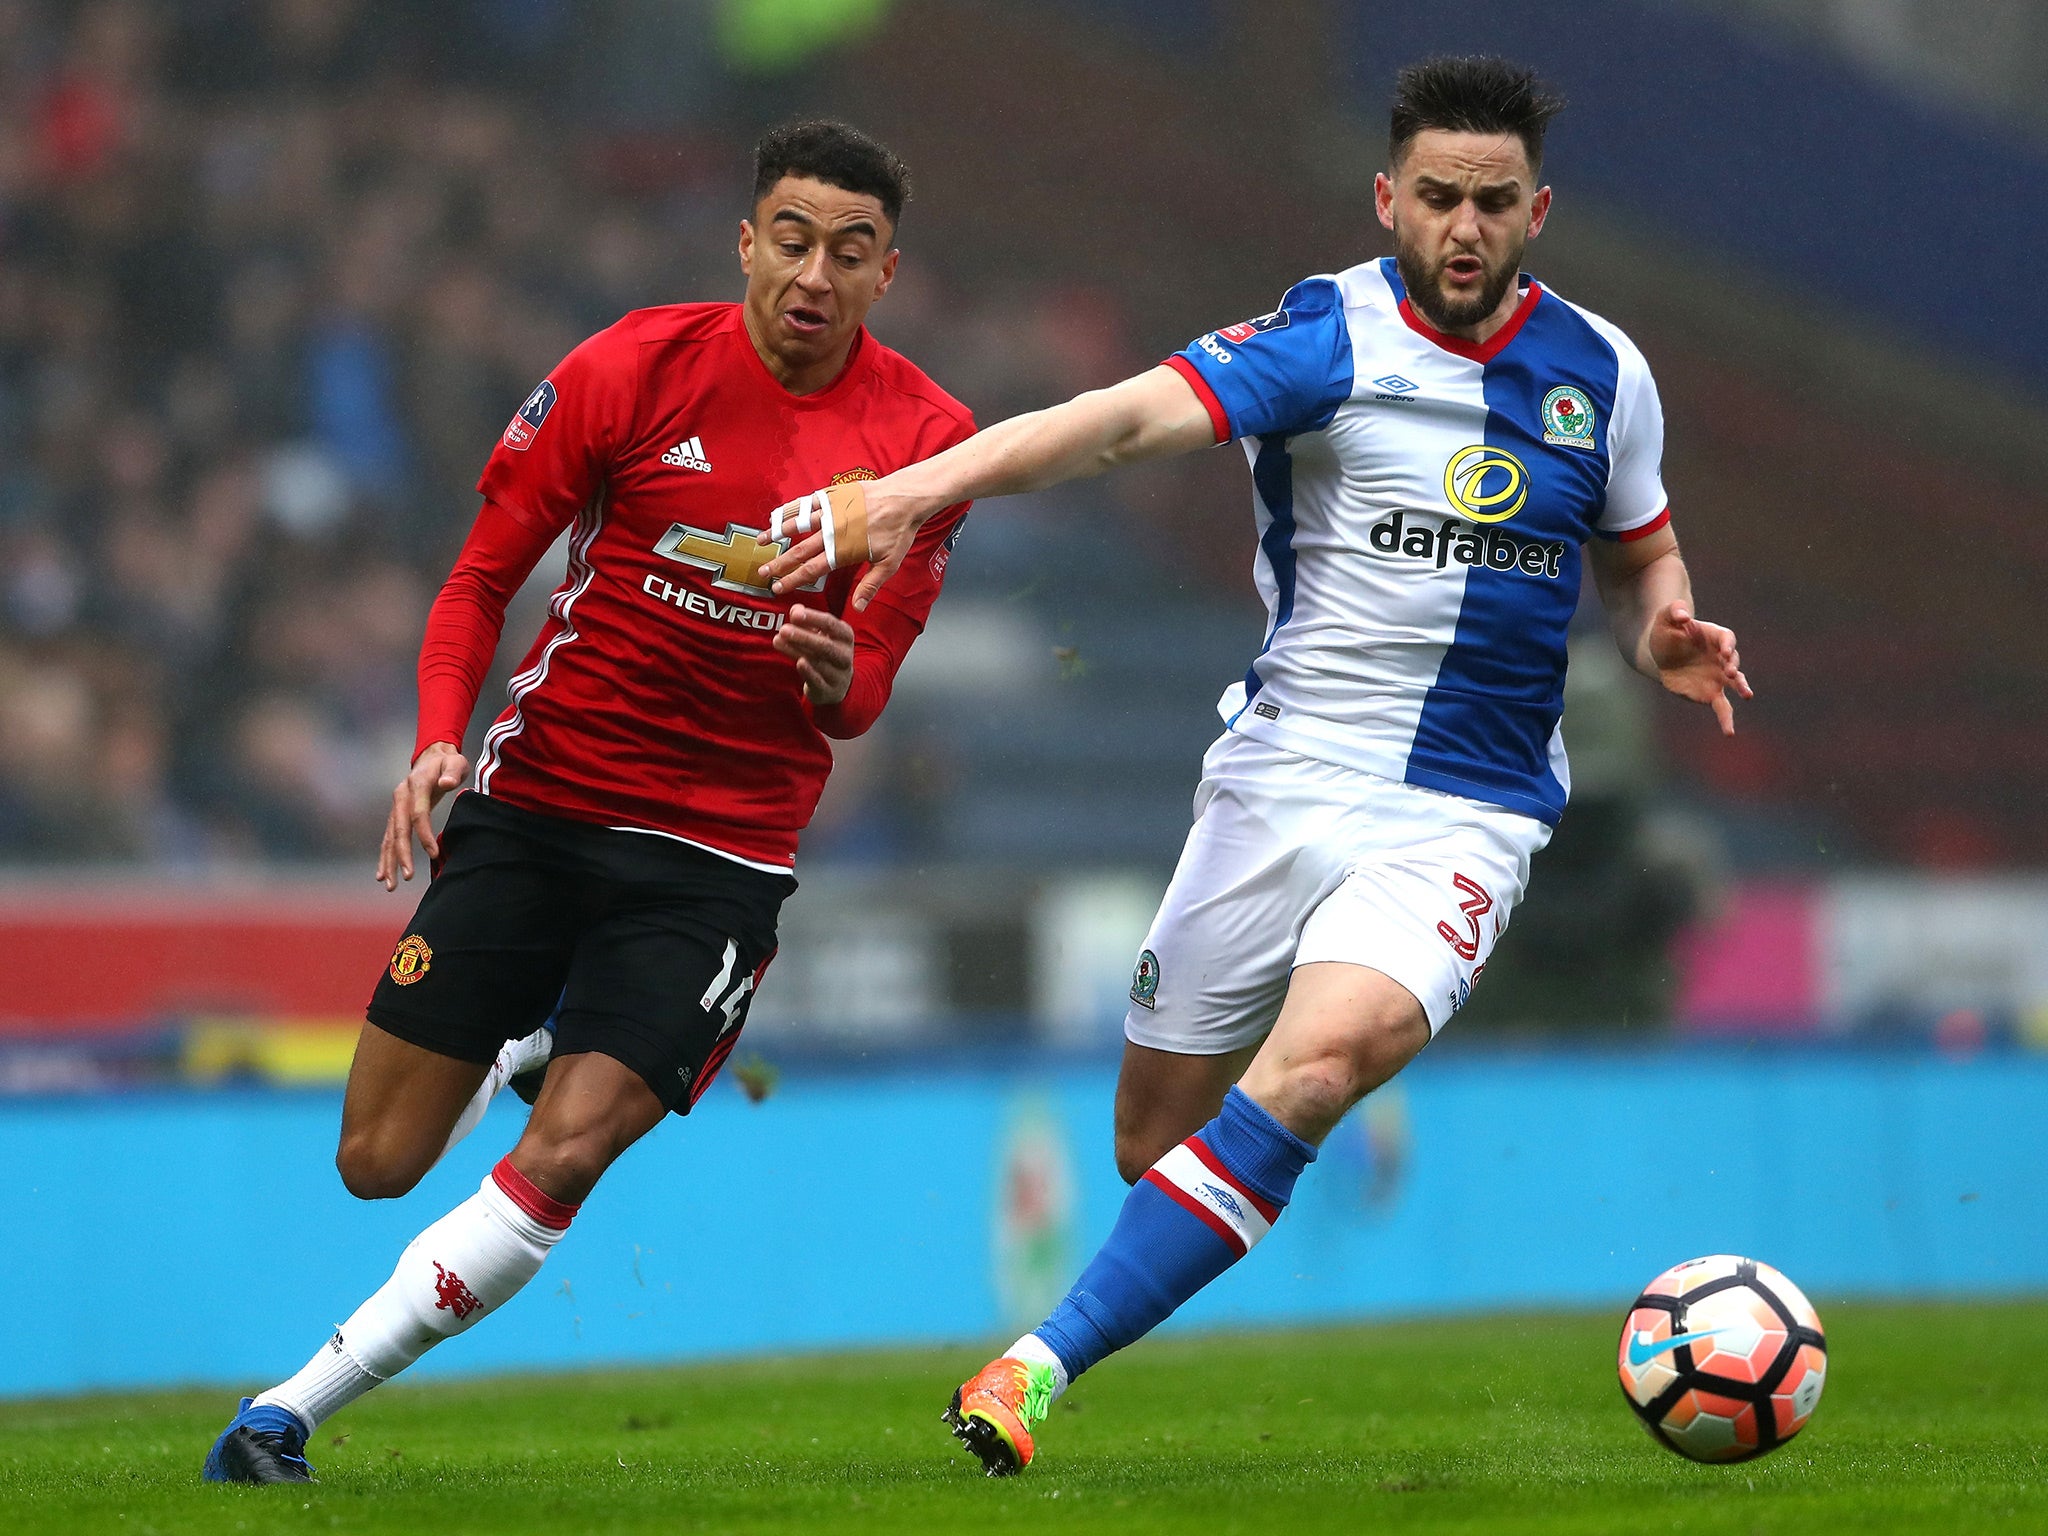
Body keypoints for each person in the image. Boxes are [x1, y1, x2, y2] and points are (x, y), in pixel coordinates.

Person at [759, 56, 1751, 1476]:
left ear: (1540, 210)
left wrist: (1663, 630)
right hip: (1281, 782)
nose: (1463, 229)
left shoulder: (1604, 373)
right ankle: (1306, 1106)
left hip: (1466, 812)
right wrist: (907, 495)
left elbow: (1641, 543)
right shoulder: (1322, 339)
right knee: (1153, 1145)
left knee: (1318, 1063)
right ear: (1385, 200)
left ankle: (1032, 1370)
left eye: (1493, 202)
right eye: (1435, 199)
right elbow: (1115, 422)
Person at [202, 119, 975, 1484]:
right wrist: (439, 741)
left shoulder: (922, 442)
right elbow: (479, 578)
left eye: (848, 253)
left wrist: (845, 669)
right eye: (791, 239)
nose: (814, 273)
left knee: (569, 1153)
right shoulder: (629, 368)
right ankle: (521, 1046)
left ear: (885, 274)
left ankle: (287, 1412)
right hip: (544, 801)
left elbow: (865, 697)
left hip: (719, 859)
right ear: (747, 242)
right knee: (375, 1158)